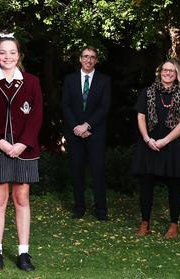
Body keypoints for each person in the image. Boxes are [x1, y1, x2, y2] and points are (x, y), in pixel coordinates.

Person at [0, 32, 42, 272]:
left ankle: (23, 253)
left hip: (24, 149)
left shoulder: (32, 81)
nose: (7, 56)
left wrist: (23, 143)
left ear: (19, 55)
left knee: (22, 199)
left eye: (12, 52)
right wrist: (1, 142)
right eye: (2, 52)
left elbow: (36, 117)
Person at [129, 59, 180, 239]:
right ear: (160, 72)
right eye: (165, 70)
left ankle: (173, 225)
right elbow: (141, 116)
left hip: (173, 145)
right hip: (149, 143)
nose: (168, 73)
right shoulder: (147, 92)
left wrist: (164, 141)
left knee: (174, 186)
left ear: (176, 75)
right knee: (146, 184)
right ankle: (144, 223)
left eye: (172, 71)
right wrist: (147, 138)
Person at [61, 47, 112, 221]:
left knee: (98, 172)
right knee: (77, 171)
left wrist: (87, 125)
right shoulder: (70, 79)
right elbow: (65, 106)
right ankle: (79, 207)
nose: (89, 60)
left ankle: (101, 210)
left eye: (92, 57)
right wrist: (77, 127)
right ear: (80, 59)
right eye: (85, 56)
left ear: (96, 60)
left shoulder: (104, 80)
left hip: (96, 133)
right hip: (75, 133)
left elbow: (105, 107)